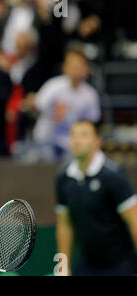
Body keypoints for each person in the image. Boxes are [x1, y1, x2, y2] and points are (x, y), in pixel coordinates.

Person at [55, 121, 137, 275]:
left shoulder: (113, 176)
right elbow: (64, 225)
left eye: (84, 135)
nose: (77, 140)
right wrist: (62, 267)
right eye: (74, 135)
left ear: (97, 142)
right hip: (87, 264)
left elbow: (134, 221)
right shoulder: (63, 177)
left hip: (121, 264)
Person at [32, 49, 100, 162]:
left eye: (79, 66)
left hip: (72, 143)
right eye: (72, 65)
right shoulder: (53, 86)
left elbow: (91, 122)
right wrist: (32, 105)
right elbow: (37, 108)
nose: (76, 69)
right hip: (47, 139)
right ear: (65, 68)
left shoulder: (90, 95)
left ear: (86, 69)